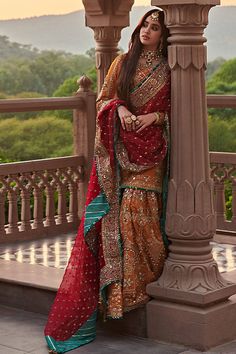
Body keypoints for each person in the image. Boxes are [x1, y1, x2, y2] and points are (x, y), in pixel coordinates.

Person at [45, 8, 171, 354]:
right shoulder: (123, 61)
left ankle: (142, 286)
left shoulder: (171, 67)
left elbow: (178, 108)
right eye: (145, 23)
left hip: (153, 152)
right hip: (122, 148)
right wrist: (124, 111)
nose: (147, 30)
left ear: (165, 35)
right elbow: (104, 97)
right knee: (118, 217)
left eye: (155, 27)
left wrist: (153, 117)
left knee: (137, 211)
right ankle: (118, 295)